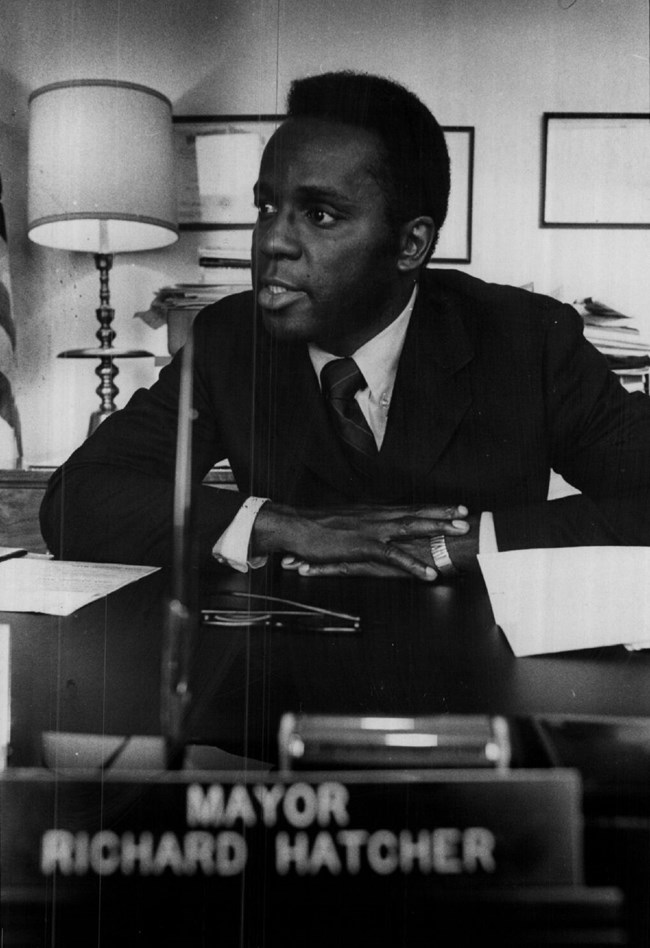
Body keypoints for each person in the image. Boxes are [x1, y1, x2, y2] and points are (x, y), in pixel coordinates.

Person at [40, 71, 650, 579]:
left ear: (410, 244)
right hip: (284, 659)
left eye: (320, 214)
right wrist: (283, 525)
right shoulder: (230, 338)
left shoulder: (526, 337)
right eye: (267, 206)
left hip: (478, 665)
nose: (271, 241)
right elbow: (76, 500)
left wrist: (470, 544)